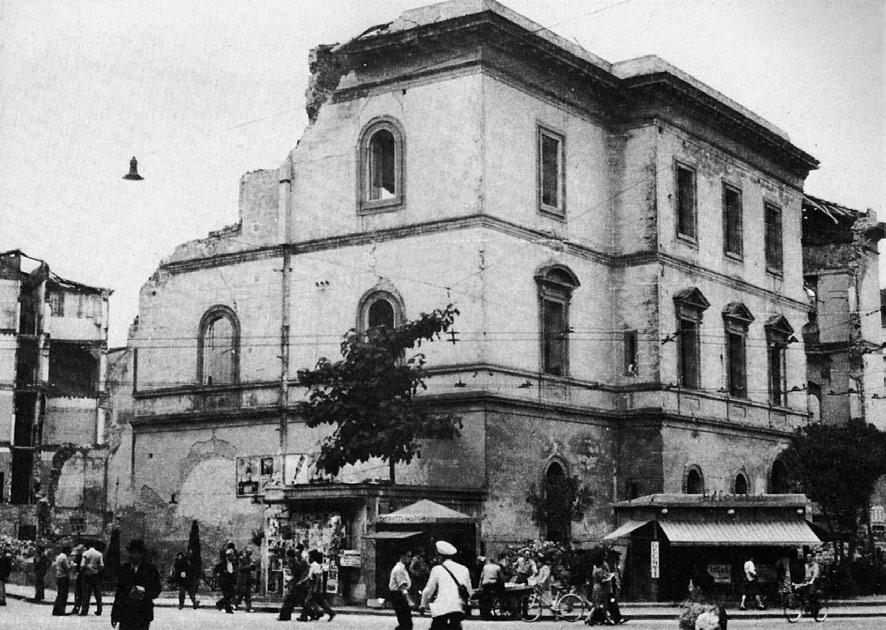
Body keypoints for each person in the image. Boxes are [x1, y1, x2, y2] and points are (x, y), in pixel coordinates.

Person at [420, 540, 472, 629]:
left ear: (440, 557)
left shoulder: (437, 569)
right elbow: (469, 591)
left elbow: (429, 590)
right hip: (458, 609)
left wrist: (423, 604)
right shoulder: (464, 569)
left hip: (441, 609)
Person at [111, 539, 161, 630]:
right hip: (126, 612)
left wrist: (144, 591)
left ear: (141, 554)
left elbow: (156, 590)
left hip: (143, 613)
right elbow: (119, 593)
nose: (132, 555)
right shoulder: (124, 569)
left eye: (135, 553)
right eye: (131, 552)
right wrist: (114, 614)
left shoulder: (150, 570)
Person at [301, 549, 335, 622]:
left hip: (315, 586)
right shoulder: (312, 565)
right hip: (313, 586)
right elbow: (309, 576)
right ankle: (321, 613)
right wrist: (302, 582)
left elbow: (318, 577)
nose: (308, 559)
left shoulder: (315, 565)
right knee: (318, 602)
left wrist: (316, 588)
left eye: (309, 557)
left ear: (312, 558)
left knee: (309, 602)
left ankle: (307, 616)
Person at [389, 549, 414, 630]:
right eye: (408, 556)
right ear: (402, 556)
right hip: (398, 596)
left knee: (405, 622)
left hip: (399, 595)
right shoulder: (399, 569)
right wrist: (409, 600)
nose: (409, 558)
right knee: (406, 623)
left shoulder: (403, 568)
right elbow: (402, 587)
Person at [80, 542, 104, 615]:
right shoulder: (99, 554)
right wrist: (97, 571)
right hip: (95, 575)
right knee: (97, 593)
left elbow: (82, 565)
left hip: (87, 575)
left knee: (86, 593)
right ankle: (99, 609)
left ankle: (85, 610)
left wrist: (82, 572)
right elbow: (102, 565)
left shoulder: (85, 554)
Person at [478, 555, 505, 619]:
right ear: (495, 561)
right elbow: (501, 577)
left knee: (486, 598)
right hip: (493, 584)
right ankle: (502, 601)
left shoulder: (485, 567)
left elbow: (482, 576)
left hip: (485, 584)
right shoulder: (497, 567)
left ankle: (485, 613)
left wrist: (480, 585)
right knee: (493, 597)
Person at [213, 547, 237, 613]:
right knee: (227, 595)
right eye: (232, 556)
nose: (233, 557)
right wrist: (218, 578)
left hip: (230, 582)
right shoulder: (222, 564)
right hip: (223, 582)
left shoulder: (234, 564)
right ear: (228, 556)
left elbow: (234, 573)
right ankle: (228, 609)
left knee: (230, 595)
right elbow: (215, 571)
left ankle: (219, 604)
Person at [52, 544, 72, 616]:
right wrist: (71, 564)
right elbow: (67, 568)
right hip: (63, 577)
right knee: (63, 595)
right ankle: (61, 611)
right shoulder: (64, 557)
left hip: (59, 576)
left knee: (60, 594)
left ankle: (56, 610)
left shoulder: (59, 556)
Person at [235, 547, 257, 612]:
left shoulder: (249, 558)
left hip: (248, 579)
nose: (250, 555)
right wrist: (249, 566)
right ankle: (235, 605)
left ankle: (248, 608)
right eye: (249, 554)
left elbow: (252, 568)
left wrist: (253, 565)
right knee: (240, 593)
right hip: (242, 578)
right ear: (246, 553)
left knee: (248, 594)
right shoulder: (241, 559)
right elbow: (241, 568)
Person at [70, 544, 85, 615]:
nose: (77, 552)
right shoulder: (79, 556)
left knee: (80, 592)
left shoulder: (82, 556)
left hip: (81, 575)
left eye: (78, 550)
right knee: (78, 592)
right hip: (80, 575)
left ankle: (77, 607)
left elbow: (80, 566)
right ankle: (77, 607)